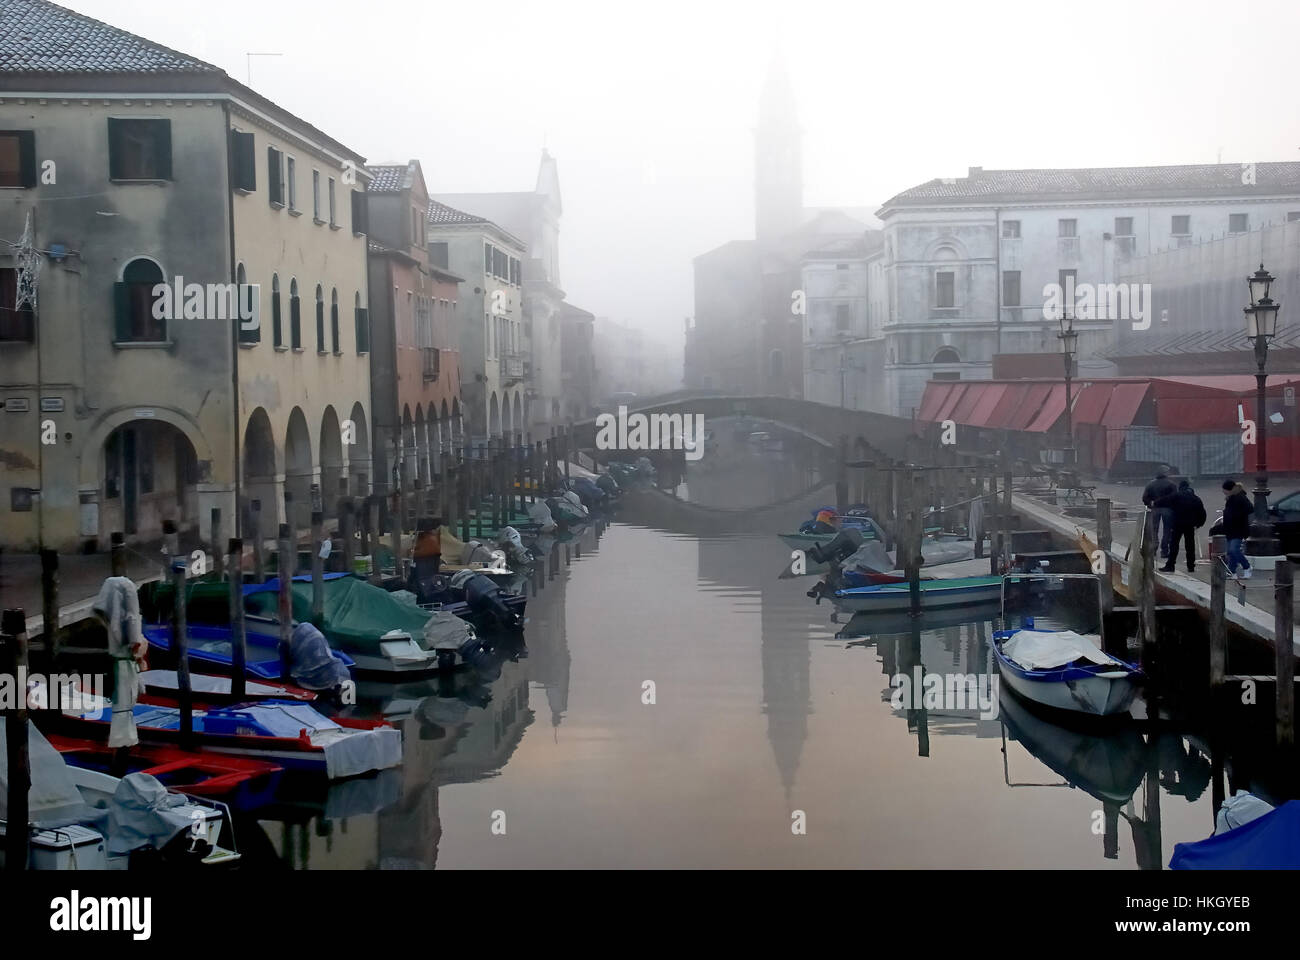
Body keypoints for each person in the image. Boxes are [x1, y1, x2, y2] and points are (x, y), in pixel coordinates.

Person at [1155, 479, 1205, 573]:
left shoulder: (1177, 495)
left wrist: (1155, 503)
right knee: (1190, 546)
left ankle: (1170, 565)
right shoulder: (1196, 498)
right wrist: (1199, 524)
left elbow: (1165, 500)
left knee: (1174, 545)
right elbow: (1202, 513)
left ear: (1180, 487)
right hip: (1190, 525)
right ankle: (1191, 566)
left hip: (1178, 524)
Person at [1142, 469, 1178, 558]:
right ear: (1166, 474)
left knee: (1154, 529)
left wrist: (1150, 503)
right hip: (1168, 509)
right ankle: (1164, 551)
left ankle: (1154, 548)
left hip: (1155, 509)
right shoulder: (1171, 484)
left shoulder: (1150, 484)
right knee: (1167, 530)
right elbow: (1175, 498)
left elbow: (1145, 498)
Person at [1221, 480, 1253, 580]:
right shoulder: (1231, 498)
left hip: (1238, 529)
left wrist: (1238, 516)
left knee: (1233, 549)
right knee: (1230, 552)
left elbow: (1250, 508)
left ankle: (1247, 567)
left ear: (1229, 489)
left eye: (1224, 490)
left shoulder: (1240, 497)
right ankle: (1232, 572)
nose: (1223, 492)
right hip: (1230, 529)